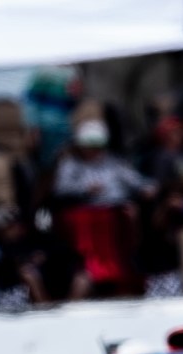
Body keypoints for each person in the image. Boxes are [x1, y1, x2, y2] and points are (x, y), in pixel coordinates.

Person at [51, 119, 158, 298]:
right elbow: (60, 189)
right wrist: (85, 189)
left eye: (97, 147)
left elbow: (136, 182)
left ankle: (123, 272)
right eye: (89, 147)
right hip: (84, 215)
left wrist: (147, 188)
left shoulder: (114, 163)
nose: (93, 151)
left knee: (131, 214)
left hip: (115, 213)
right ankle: (93, 271)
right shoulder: (71, 164)